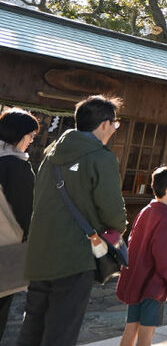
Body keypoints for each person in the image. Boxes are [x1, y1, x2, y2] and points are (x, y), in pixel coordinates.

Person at [17, 95, 127, 346]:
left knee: (33, 324)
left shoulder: (51, 154)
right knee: (61, 330)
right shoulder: (101, 158)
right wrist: (118, 228)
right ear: (104, 125)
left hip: (40, 253)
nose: (114, 129)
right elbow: (113, 214)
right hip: (74, 256)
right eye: (115, 124)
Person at [116, 166, 167, 346]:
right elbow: (166, 257)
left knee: (130, 329)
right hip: (154, 285)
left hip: (136, 280)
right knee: (147, 334)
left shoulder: (145, 211)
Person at [0, 109, 39, 340]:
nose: (32, 140)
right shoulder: (17, 166)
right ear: (19, 135)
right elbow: (25, 213)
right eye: (31, 135)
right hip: (6, 250)